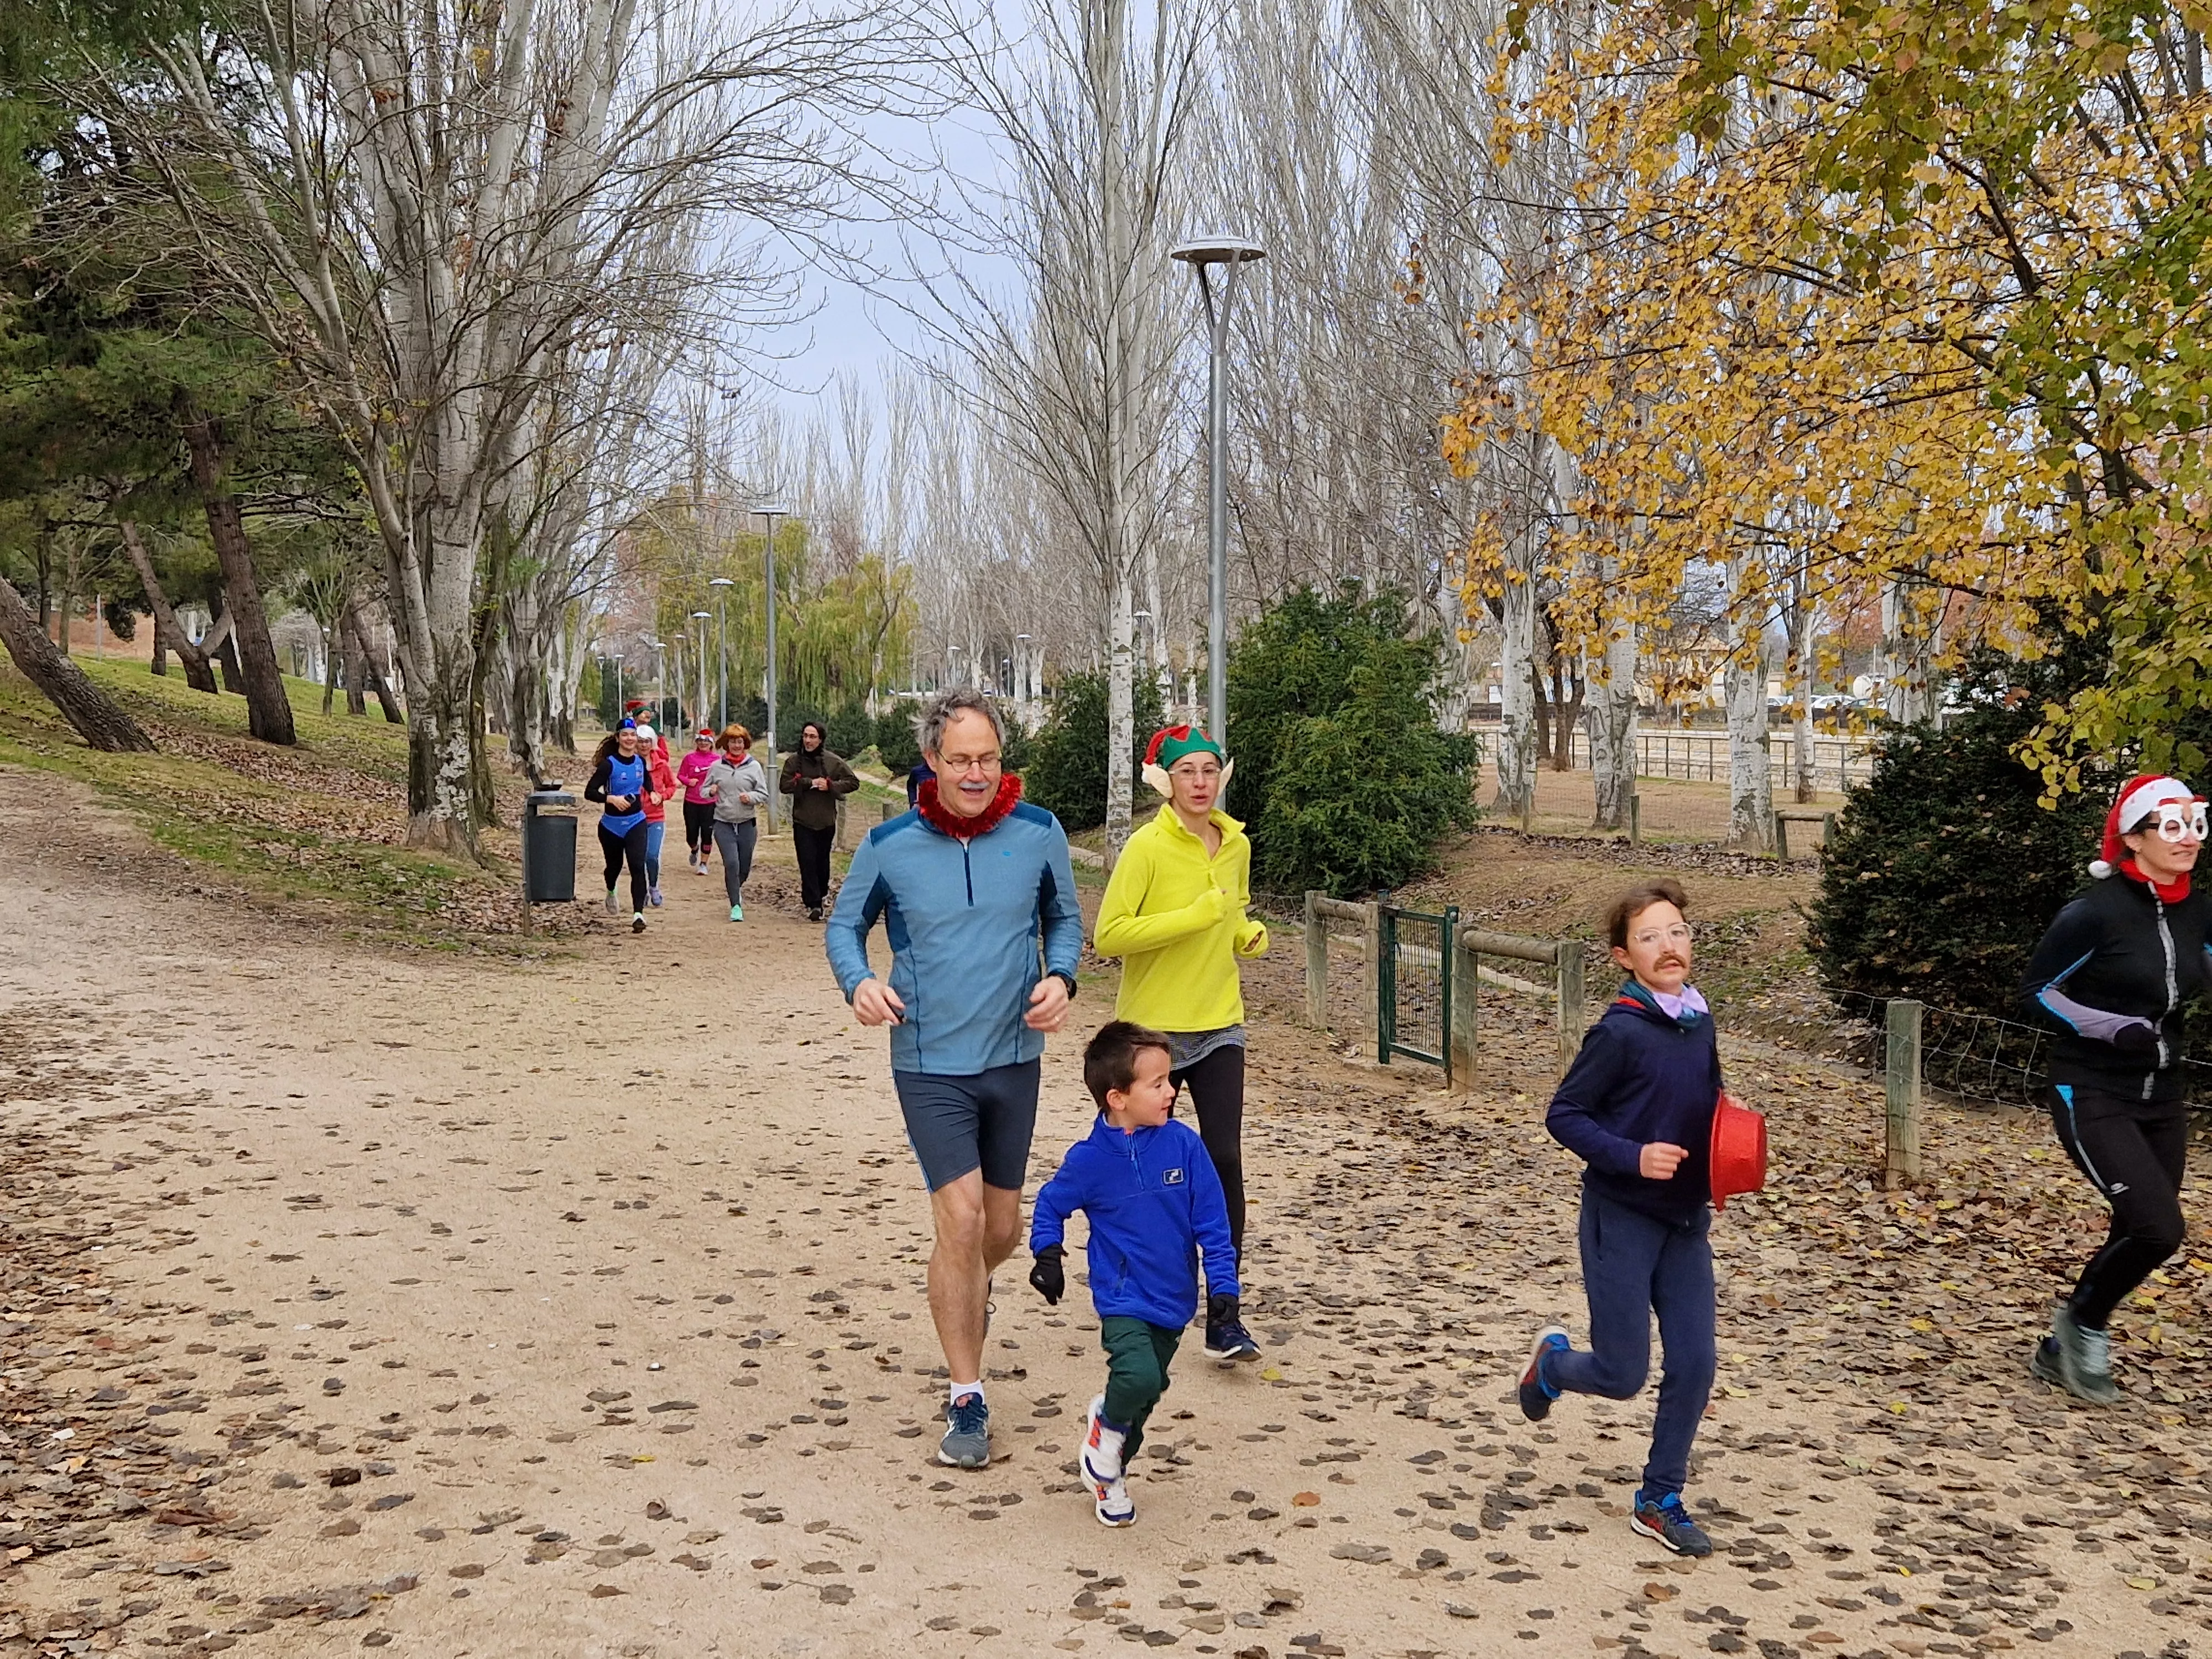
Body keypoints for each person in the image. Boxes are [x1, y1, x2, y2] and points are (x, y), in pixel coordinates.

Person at [825, 687, 1083, 1469]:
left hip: (1014, 1057)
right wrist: (858, 983)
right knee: (964, 1220)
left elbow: (1065, 920)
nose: (976, 774)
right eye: (961, 759)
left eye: (989, 759)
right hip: (930, 1060)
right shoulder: (891, 843)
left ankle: (957, 1288)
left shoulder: (1039, 833)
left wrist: (1063, 978)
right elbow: (845, 926)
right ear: (932, 760)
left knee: (996, 1233)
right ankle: (967, 1398)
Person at [1518, 877, 1721, 1559]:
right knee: (1621, 1373)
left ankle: (1659, 1499)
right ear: (1622, 956)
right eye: (1649, 937)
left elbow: (1702, 1092)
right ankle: (1551, 1367)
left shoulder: (1699, 1019)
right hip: (1622, 1217)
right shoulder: (1619, 1032)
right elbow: (1564, 1115)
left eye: (1677, 932)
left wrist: (1732, 1126)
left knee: (1695, 1365)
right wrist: (1631, 1157)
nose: (1668, 946)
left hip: (1686, 1220)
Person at [2020, 773, 2210, 1404]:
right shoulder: (2092, 914)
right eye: (2172, 826)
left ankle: (2058, 1349)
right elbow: (2038, 992)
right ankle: (2082, 1329)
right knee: (2159, 1229)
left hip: (2163, 1095)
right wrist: (2111, 1028)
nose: (2189, 840)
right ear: (2133, 837)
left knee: (2137, 1222)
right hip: (2091, 1090)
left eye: (2197, 824)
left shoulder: (2198, 910)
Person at [1093, 724, 1266, 1363]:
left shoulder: (1236, 842)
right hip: (1150, 1033)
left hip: (1219, 1020)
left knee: (1223, 1160)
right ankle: (1128, 1291)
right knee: (1132, 1165)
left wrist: (1244, 933)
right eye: (1187, 771)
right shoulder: (1146, 846)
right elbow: (1110, 935)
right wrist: (1193, 917)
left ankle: (1224, 1317)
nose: (1200, 782)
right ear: (1166, 781)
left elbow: (1235, 909)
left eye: (1209, 770)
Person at [1027, 1021, 1239, 1528]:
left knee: (1146, 1394)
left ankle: (1109, 1471)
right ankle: (1106, 1426)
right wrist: (1048, 1256)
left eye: (1170, 1080)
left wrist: (1224, 1290)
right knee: (1137, 1375)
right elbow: (1050, 1205)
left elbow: (1214, 1221)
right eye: (1159, 1083)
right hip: (1122, 1295)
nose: (1172, 1091)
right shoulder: (1089, 1161)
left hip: (1175, 1300)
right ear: (1118, 1097)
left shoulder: (1185, 1148)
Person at [782, 720, 860, 920]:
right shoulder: (793, 761)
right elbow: (784, 785)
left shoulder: (833, 761)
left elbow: (853, 783)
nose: (808, 740)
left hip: (826, 821)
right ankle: (814, 903)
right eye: (806, 736)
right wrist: (808, 783)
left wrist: (831, 786)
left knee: (822, 862)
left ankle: (821, 893)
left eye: (813, 737)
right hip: (802, 821)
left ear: (821, 739)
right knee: (807, 861)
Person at [583, 719, 655, 934]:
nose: (630, 739)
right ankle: (611, 890)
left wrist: (653, 793)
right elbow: (590, 792)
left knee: (637, 866)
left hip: (636, 822)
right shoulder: (609, 765)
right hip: (611, 826)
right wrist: (611, 799)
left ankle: (638, 914)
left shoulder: (640, 762)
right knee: (614, 867)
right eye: (625, 735)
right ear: (618, 738)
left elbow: (647, 781)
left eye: (633, 735)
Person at [702, 724, 770, 922]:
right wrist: (711, 792)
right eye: (732, 741)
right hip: (723, 822)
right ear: (726, 744)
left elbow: (764, 793)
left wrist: (750, 797)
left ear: (745, 744)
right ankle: (736, 906)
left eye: (740, 741)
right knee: (731, 863)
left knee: (744, 867)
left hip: (747, 823)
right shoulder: (717, 767)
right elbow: (703, 790)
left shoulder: (754, 766)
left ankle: (735, 888)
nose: (736, 745)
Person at [634, 724, 678, 908]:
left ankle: (653, 886)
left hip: (655, 817)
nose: (643, 745)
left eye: (647, 742)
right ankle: (641, 890)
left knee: (652, 856)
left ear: (652, 743)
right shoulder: (630, 763)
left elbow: (672, 786)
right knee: (638, 858)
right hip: (634, 818)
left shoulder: (662, 765)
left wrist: (662, 796)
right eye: (640, 741)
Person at [677, 727, 719, 875]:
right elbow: (681, 776)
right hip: (691, 801)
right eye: (700, 741)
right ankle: (694, 848)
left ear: (711, 744)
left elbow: (722, 779)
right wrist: (689, 781)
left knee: (707, 834)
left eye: (706, 742)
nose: (703, 744)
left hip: (710, 802)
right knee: (691, 835)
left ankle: (703, 864)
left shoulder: (717, 761)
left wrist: (717, 787)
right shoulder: (689, 758)